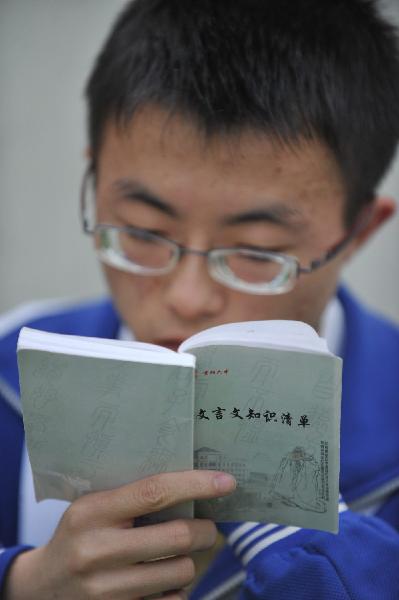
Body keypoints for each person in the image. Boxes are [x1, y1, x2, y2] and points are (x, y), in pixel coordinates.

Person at [1, 0, 399, 597]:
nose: (187, 300)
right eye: (140, 231)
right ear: (98, 185)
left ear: (360, 231)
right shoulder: (10, 371)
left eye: (258, 253)